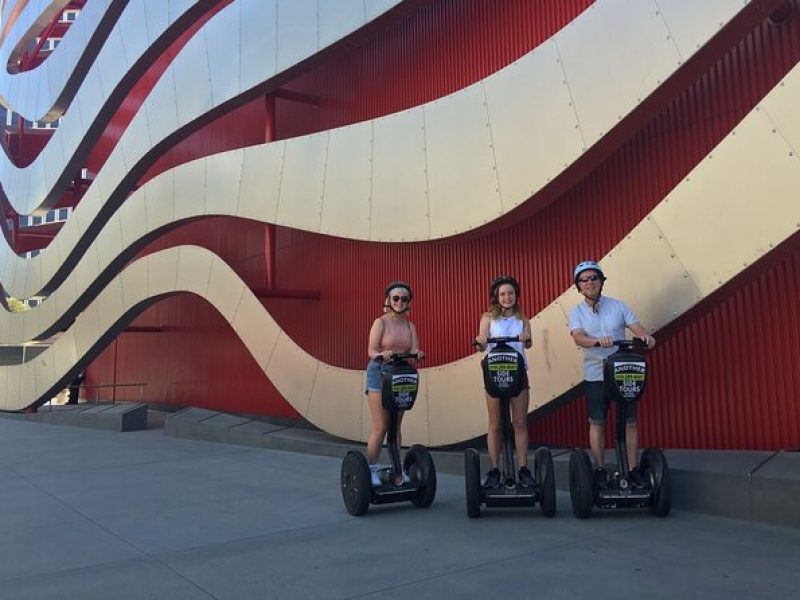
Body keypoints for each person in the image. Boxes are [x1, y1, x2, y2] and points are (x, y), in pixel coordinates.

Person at [568, 260, 656, 489]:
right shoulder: (576, 312)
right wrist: (596, 340)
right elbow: (578, 337)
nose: (589, 283)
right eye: (584, 280)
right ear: (579, 286)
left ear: (601, 281)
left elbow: (638, 328)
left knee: (630, 422)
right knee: (597, 421)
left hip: (622, 372)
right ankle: (599, 468)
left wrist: (646, 337)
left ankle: (634, 468)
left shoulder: (618, 306)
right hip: (596, 373)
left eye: (593, 278)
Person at [474, 275, 533, 488]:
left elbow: (528, 343)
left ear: (516, 296)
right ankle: (494, 470)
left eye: (510, 293)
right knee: (495, 425)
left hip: (517, 373)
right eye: (502, 294)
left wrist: (526, 338)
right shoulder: (488, 318)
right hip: (495, 372)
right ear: (496, 297)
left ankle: (524, 469)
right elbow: (481, 343)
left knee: (519, 423)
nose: (507, 297)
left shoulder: (523, 319)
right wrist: (481, 341)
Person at [365, 281, 424, 486]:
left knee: (396, 426)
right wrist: (382, 354)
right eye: (396, 298)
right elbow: (371, 351)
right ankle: (371, 469)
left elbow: (415, 350)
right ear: (389, 300)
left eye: (404, 298)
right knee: (381, 426)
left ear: (409, 302)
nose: (400, 301)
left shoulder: (410, 326)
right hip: (379, 373)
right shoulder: (380, 323)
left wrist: (418, 354)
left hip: (400, 374)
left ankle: (397, 470)